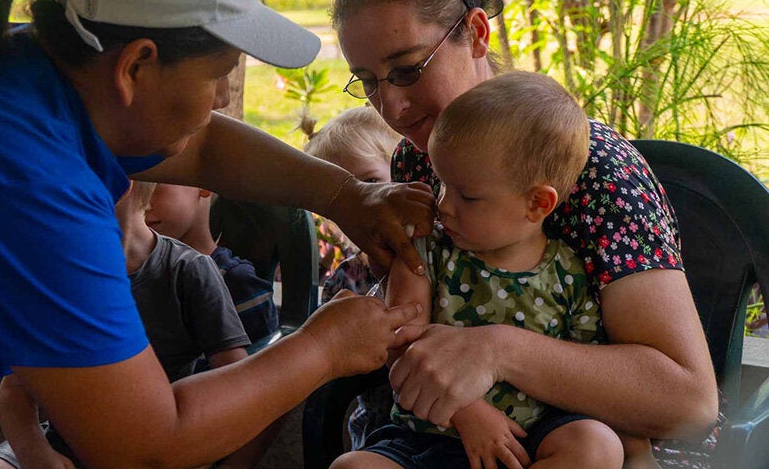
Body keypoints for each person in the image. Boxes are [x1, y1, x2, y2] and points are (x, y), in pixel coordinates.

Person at [0, 0, 435, 467]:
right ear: (136, 66)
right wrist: (323, 346)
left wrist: (345, 195)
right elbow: (145, 445)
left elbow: (204, 145)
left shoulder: (29, 69)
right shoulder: (25, 179)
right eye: (218, 75)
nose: (222, 98)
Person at [332, 0, 719, 467]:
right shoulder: (418, 158)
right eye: (368, 81)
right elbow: (412, 318)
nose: (391, 107)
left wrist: (498, 350)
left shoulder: (597, 174)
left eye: (408, 68)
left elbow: (688, 402)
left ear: (476, 33)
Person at [336, 73, 666, 468]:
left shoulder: (568, 272)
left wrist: (636, 449)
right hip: (431, 435)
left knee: (596, 445)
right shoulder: (424, 252)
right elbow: (401, 344)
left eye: (467, 196)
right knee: (351, 466)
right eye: (442, 185)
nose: (444, 205)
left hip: (534, 437)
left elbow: (593, 373)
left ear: (537, 204)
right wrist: (469, 414)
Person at [0, 181, 268, 469]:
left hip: (153, 450)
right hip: (60, 442)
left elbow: (234, 380)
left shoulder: (188, 270)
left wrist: (207, 456)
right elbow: (14, 390)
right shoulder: (55, 274)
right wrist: (35, 453)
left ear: (115, 185)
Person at [145, 182, 279, 346]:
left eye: (153, 183)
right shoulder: (125, 272)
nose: (141, 202)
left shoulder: (235, 283)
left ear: (202, 184)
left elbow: (264, 359)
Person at [303, 105, 401, 303]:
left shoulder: (441, 259)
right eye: (339, 193)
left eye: (370, 181)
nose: (359, 200)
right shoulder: (344, 283)